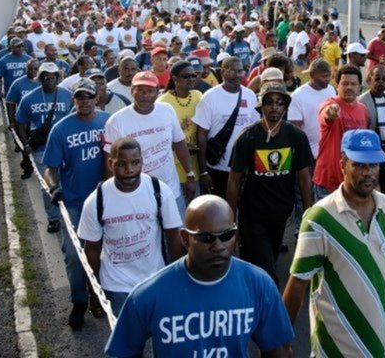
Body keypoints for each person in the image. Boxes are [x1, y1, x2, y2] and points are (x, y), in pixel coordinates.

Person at [283, 130, 385, 358]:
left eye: (374, 165)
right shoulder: (319, 218)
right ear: (342, 165)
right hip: (331, 351)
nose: (368, 173)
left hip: (375, 349)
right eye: (359, 165)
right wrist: (281, 342)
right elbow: (298, 284)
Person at [105, 195, 294, 357]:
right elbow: (124, 352)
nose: (218, 246)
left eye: (226, 235)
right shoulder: (148, 295)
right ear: (185, 238)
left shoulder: (259, 285)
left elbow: (279, 351)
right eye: (206, 238)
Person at [78, 137, 183, 317]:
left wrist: (178, 278)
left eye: (135, 163)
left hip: (155, 280)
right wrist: (93, 291)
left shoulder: (160, 191)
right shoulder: (95, 201)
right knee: (126, 335)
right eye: (121, 164)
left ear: (142, 161)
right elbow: (92, 249)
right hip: (116, 286)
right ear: (110, 164)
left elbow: (174, 237)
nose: (129, 170)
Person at [227, 81, 313, 282]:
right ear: (261, 106)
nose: (275, 107)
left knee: (270, 258)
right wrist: (230, 222)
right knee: (264, 267)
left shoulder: (296, 136)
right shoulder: (247, 137)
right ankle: (270, 297)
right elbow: (234, 180)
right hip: (252, 214)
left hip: (281, 212)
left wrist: (309, 214)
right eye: (269, 102)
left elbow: (304, 177)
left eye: (280, 103)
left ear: (285, 107)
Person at [42, 78, 110, 328]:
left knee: (108, 252)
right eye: (79, 97)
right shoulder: (61, 129)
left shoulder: (108, 122)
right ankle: (79, 301)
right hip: (75, 202)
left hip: (105, 199)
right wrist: (54, 187)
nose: (84, 101)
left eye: (89, 96)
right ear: (73, 100)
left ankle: (101, 296)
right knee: (73, 254)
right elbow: (50, 167)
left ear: (97, 98)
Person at [104, 71, 195, 219]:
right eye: (140, 90)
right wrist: (115, 194)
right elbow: (110, 161)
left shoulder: (167, 110)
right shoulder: (116, 121)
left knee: (178, 231)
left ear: (157, 92)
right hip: (137, 195)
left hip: (170, 190)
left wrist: (189, 174)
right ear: (132, 91)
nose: (145, 95)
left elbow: (179, 143)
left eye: (150, 91)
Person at [15, 62, 72, 233]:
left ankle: (69, 213)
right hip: (42, 148)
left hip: (66, 147)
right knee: (49, 185)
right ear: (40, 79)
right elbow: (19, 122)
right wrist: (25, 144)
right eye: (46, 77)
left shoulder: (67, 95)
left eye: (53, 77)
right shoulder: (29, 98)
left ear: (58, 78)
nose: (50, 80)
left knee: (67, 181)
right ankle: (53, 218)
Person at [194, 57, 258, 199]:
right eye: (232, 71)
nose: (237, 75)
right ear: (223, 72)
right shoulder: (209, 97)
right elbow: (201, 135)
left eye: (240, 71)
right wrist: (203, 171)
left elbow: (255, 129)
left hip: (243, 167)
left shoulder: (250, 95)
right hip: (217, 167)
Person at [312, 65, 369, 199]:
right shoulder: (329, 104)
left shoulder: (363, 109)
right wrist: (331, 112)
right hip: (328, 184)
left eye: (353, 84)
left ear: (359, 87)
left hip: (354, 182)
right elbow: (327, 114)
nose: (349, 87)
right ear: (337, 86)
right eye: (345, 83)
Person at [158, 60, 204, 202]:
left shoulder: (198, 96)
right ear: (174, 78)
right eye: (186, 76)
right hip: (174, 166)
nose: (191, 79)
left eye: (193, 75)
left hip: (195, 165)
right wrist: (179, 146)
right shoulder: (163, 102)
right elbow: (160, 137)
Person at [288, 59, 336, 160]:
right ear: (312, 75)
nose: (328, 79)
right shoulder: (298, 96)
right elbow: (295, 130)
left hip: (330, 152)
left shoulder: (331, 90)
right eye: (324, 76)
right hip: (309, 154)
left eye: (329, 76)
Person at [359, 64, 385, 197]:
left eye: (384, 79)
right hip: (371, 150)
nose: (381, 82)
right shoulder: (361, 101)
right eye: (377, 78)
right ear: (370, 79)